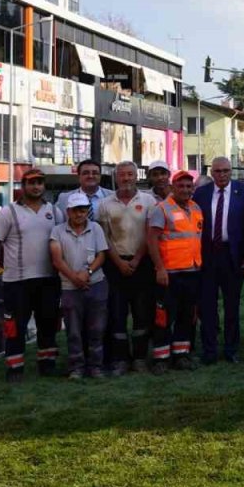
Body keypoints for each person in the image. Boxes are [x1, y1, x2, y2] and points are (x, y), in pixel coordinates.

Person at [0, 167, 60, 382]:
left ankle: (47, 365)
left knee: (48, 323)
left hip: (48, 279)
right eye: (31, 182)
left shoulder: (55, 212)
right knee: (14, 327)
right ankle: (15, 369)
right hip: (17, 282)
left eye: (40, 182)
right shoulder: (9, 212)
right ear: (23, 186)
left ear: (44, 185)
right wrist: (6, 264)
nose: (36, 186)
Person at [193, 156, 244, 364]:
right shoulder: (200, 194)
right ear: (212, 173)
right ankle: (209, 350)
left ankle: (231, 349)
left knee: (232, 306)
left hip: (233, 256)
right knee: (207, 306)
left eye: (226, 171)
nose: (222, 175)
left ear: (231, 172)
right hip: (207, 255)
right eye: (218, 171)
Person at [99, 161, 157, 376]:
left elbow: (150, 234)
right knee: (117, 314)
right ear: (116, 177)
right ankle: (121, 359)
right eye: (122, 175)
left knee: (142, 313)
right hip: (115, 266)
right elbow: (104, 237)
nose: (126, 178)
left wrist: (136, 260)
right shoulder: (105, 204)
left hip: (142, 264)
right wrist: (119, 262)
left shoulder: (148, 201)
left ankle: (140, 358)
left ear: (136, 176)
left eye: (130, 174)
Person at [147, 169, 205, 373]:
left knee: (186, 315)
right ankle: (161, 358)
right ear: (172, 187)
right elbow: (151, 240)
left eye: (189, 186)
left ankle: (181, 355)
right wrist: (159, 268)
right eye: (180, 186)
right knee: (163, 317)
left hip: (192, 272)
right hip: (169, 274)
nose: (185, 189)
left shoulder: (196, 208)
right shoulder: (161, 209)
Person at [49, 194, 109, 380]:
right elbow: (57, 260)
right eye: (75, 210)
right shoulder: (57, 231)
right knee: (74, 331)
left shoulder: (96, 228)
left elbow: (102, 255)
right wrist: (74, 278)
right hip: (69, 287)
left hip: (96, 284)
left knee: (97, 329)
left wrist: (87, 273)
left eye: (83, 209)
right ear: (68, 211)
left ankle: (96, 366)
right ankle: (76, 367)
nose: (79, 213)